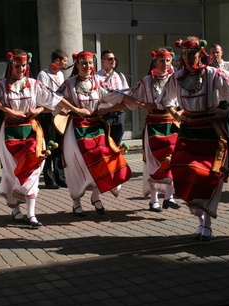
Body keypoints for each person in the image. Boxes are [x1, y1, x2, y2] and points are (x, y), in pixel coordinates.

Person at [0, 49, 90, 227]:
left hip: (32, 131)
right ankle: (16, 209)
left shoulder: (34, 84)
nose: (20, 69)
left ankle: (31, 214)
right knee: (13, 171)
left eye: (23, 65)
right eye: (17, 65)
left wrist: (40, 109)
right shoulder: (1, 86)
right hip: (9, 131)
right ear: (11, 65)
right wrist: (7, 110)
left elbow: (54, 100)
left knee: (33, 170)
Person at [163, 37, 229, 241]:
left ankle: (207, 224)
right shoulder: (177, 77)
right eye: (184, 54)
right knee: (182, 169)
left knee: (207, 176)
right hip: (188, 130)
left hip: (211, 132)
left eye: (191, 53)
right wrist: (176, 115)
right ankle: (201, 220)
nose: (187, 57)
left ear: (201, 53)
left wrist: (225, 112)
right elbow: (166, 100)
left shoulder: (214, 74)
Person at [56, 51, 143, 217]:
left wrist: (134, 99)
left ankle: (95, 196)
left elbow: (113, 95)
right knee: (78, 164)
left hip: (96, 127)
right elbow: (54, 97)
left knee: (103, 159)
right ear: (77, 64)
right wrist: (75, 109)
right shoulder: (69, 83)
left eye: (89, 63)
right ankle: (76, 201)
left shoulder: (97, 81)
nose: (87, 66)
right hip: (76, 128)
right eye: (83, 63)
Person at [113, 48, 181, 212]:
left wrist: (181, 112)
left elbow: (186, 99)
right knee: (153, 163)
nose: (165, 64)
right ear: (155, 62)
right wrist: (143, 105)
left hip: (172, 124)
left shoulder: (176, 79)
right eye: (161, 60)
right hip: (153, 125)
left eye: (167, 61)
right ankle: (153, 199)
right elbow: (130, 97)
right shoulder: (146, 81)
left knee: (172, 159)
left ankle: (169, 197)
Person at [36, 49, 68, 189]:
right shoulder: (43, 74)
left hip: (60, 114)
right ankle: (48, 179)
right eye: (64, 61)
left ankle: (60, 177)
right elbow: (43, 95)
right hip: (48, 114)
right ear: (57, 60)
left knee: (59, 146)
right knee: (49, 146)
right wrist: (55, 105)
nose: (66, 63)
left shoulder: (60, 74)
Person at [95, 50, 130, 147]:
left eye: (114, 58)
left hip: (119, 114)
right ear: (103, 61)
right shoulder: (96, 77)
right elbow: (98, 97)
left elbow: (126, 96)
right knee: (104, 143)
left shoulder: (120, 76)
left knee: (116, 144)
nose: (113, 60)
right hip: (105, 115)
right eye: (110, 59)